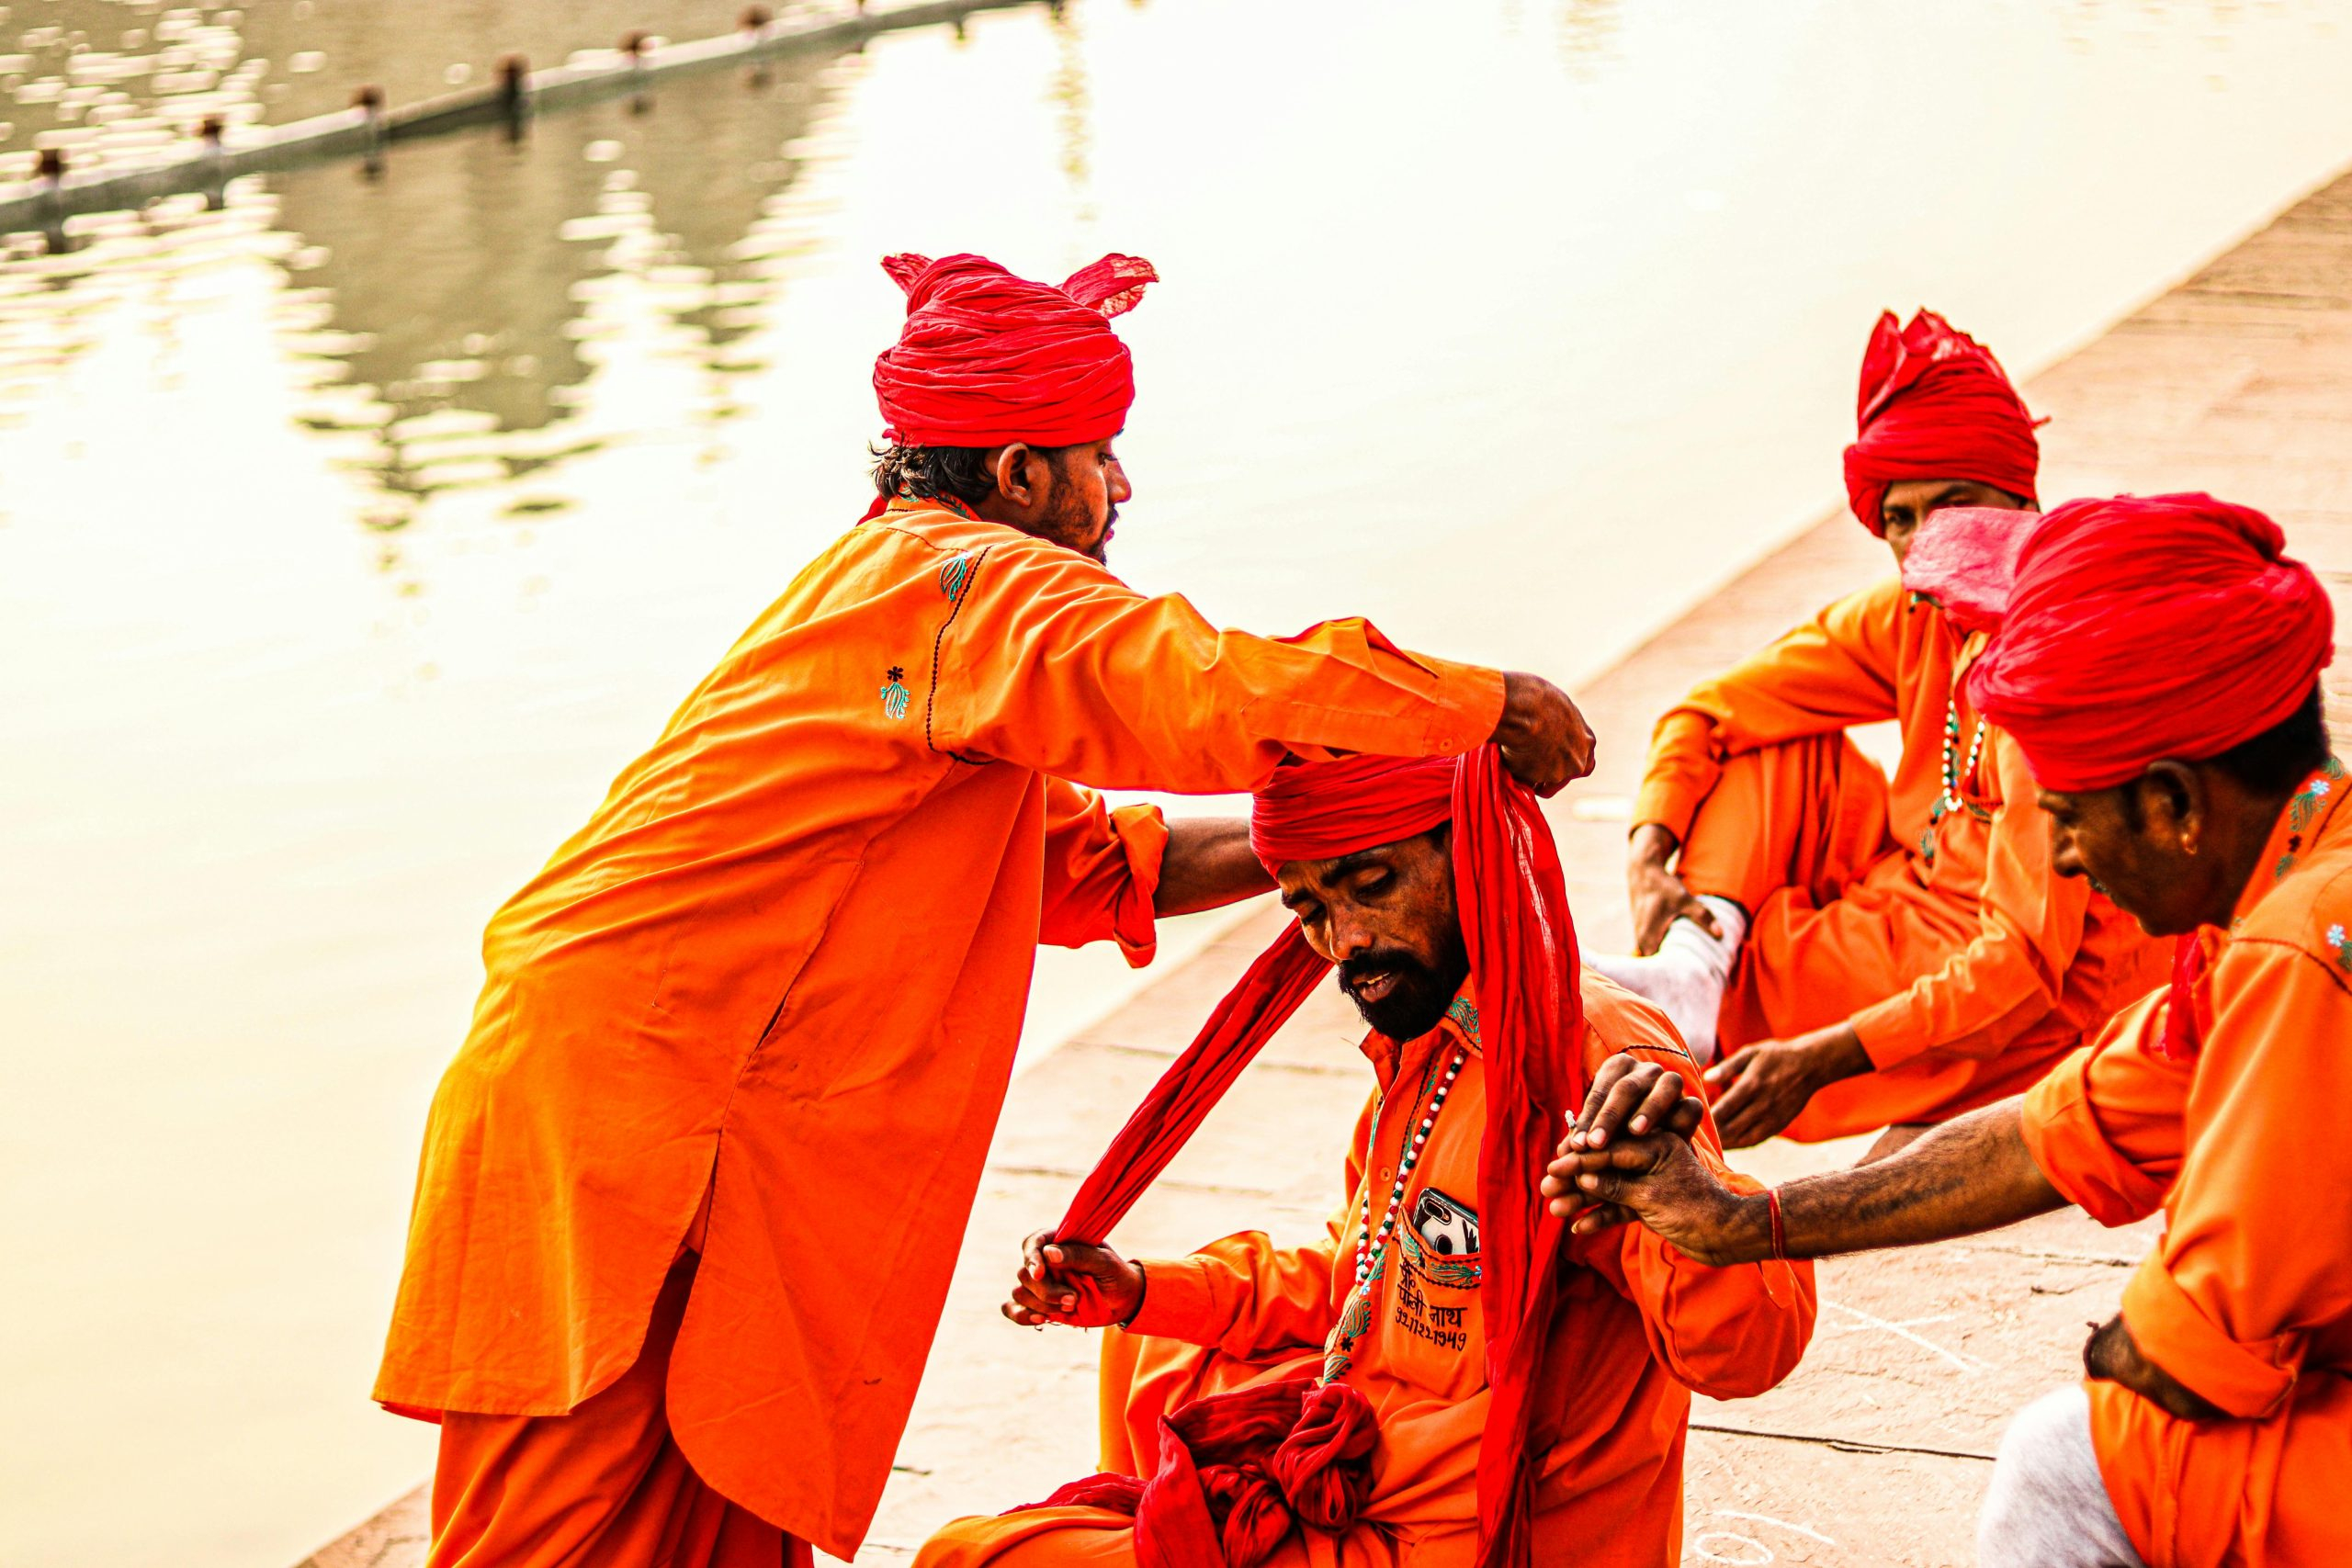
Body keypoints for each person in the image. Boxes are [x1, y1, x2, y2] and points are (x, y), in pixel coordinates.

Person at [373, 251, 1597, 1568]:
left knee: (722, 1509)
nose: (1120, 486)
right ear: (1017, 473)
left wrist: (1335, 832)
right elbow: (1189, 685)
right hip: (618, 1106)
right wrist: (1481, 705)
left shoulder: (911, 611)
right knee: (553, 1530)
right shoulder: (964, 583)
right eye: (1099, 454)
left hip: (686, 1108)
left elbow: (1089, 866)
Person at [1546, 492, 2346, 1568]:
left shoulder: (2297, 950)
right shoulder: (2295, 880)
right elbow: (2041, 1138)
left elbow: (2182, 1353)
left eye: (2066, 821)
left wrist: (2127, 1346)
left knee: (2075, 1460)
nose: (2063, 863)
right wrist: (1737, 1220)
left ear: (2170, 804)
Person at [917, 751, 1814, 1568]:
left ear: (1472, 856)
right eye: (1309, 908)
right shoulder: (1427, 1041)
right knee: (1152, 1343)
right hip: (1372, 1458)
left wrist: (1685, 1201)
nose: (1343, 941)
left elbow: (1748, 1354)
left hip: (1457, 1533)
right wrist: (1141, 1288)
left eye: (1370, 884)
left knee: (970, 1562)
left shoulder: (1592, 1062)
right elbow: (1365, 1277)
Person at [1588, 309, 2161, 1153]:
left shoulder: (2050, 659)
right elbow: (1707, 709)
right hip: (1898, 892)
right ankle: (1692, 976)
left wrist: (1814, 1062)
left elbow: (2023, 966)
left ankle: (1701, 1005)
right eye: (1903, 518)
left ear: (2023, 501)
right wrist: (1648, 853)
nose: (1930, 542)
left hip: (2010, 988)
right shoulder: (1912, 614)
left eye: (1957, 503)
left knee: (1630, 1049)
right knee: (1765, 737)